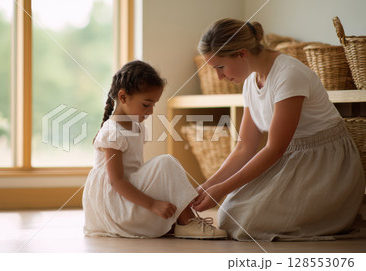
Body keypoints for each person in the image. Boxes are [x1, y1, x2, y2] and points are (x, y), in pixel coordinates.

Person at [192, 18, 365, 241]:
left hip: (323, 163)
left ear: (242, 54)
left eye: (220, 67)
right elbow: (244, 147)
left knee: (247, 223)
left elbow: (275, 148)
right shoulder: (249, 82)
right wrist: (208, 186)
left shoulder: (289, 74)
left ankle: (330, 216)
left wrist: (222, 189)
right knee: (230, 216)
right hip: (291, 158)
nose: (219, 77)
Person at [82, 60, 227, 239]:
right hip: (115, 207)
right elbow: (116, 182)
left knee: (165, 164)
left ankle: (182, 221)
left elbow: (136, 174)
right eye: (146, 104)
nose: (150, 111)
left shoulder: (137, 126)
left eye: (153, 105)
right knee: (165, 162)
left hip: (128, 194)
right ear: (123, 97)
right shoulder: (112, 133)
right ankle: (187, 222)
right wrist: (152, 204)